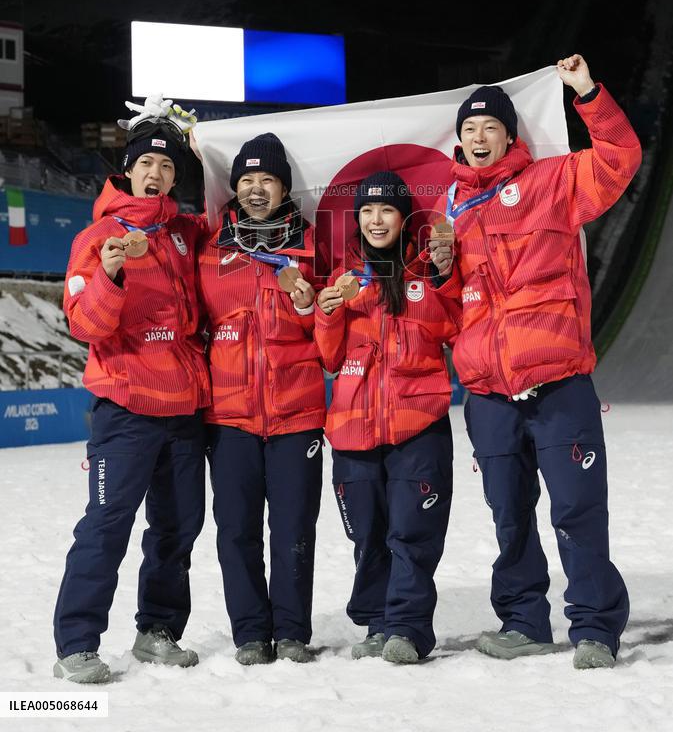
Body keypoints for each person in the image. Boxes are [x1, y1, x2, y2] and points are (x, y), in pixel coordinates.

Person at [429, 55, 641, 669]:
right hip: (488, 393)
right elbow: (446, 314)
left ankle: (596, 628)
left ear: (509, 136)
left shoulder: (552, 182)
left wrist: (589, 93)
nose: (477, 136)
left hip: (558, 383)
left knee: (578, 509)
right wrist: (440, 270)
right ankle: (523, 621)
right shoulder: (449, 213)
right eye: (468, 128)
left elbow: (619, 158)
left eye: (489, 126)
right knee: (509, 514)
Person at [53, 107, 210, 684]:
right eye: (146, 161)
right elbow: (84, 325)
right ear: (127, 168)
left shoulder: (185, 234)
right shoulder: (97, 239)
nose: (157, 172)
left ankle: (157, 631)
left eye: (167, 165)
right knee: (105, 525)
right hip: (125, 411)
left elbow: (239, 212)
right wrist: (111, 277)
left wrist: (208, 143)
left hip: (184, 411)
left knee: (178, 527)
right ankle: (76, 642)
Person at [315, 171, 461, 664]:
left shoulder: (423, 273)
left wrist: (442, 276)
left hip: (417, 423)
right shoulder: (344, 276)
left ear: (403, 218)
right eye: (368, 211)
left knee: (411, 533)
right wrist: (328, 313)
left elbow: (452, 326)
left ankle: (408, 628)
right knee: (369, 534)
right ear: (357, 218)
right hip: (354, 427)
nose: (376, 220)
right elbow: (329, 357)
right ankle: (378, 622)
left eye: (387, 211)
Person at [197, 132, 325, 665]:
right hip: (229, 417)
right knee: (236, 529)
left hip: (297, 414)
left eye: (266, 179)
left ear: (283, 188)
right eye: (246, 179)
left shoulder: (316, 246)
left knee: (294, 527)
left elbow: (337, 329)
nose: (255, 188)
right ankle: (250, 631)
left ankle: (292, 629)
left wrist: (308, 305)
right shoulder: (211, 251)